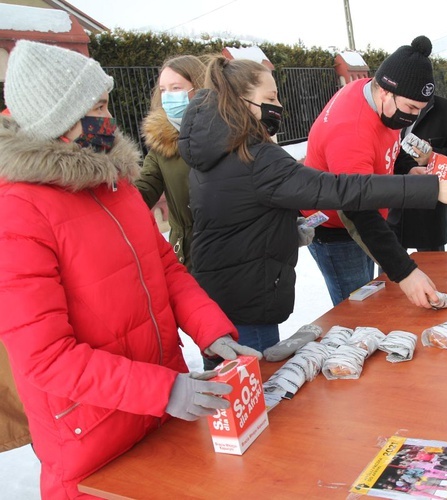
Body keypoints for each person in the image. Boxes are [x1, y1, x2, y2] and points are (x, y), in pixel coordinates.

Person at [0, 40, 260, 497]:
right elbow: (45, 359)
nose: (109, 117)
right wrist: (162, 390)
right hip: (94, 440)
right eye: (97, 106)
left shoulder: (113, 180)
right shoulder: (17, 212)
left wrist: (213, 333)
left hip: (162, 414)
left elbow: (165, 268)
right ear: (57, 121)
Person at [178, 55, 447, 359]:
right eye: (270, 98)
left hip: (232, 293)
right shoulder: (259, 158)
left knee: (248, 388)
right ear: (240, 102)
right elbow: (342, 189)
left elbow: (235, 214)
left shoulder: (222, 149)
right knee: (259, 392)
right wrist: (433, 188)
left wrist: (280, 228)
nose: (278, 106)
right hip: (244, 301)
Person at [303, 36, 447, 307]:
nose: (412, 118)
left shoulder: (378, 99)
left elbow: (388, 148)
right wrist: (405, 272)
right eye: (410, 108)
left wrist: (407, 171)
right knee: (360, 312)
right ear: (385, 91)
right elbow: (360, 212)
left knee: (379, 299)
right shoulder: (350, 131)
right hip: (337, 228)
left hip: (367, 216)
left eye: (419, 111)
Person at [135, 55, 206, 271]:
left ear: (201, 89)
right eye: (163, 90)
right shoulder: (161, 143)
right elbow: (143, 189)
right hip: (186, 254)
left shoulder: (227, 134)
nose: (168, 97)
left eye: (176, 88)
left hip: (231, 252)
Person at [387, 94, 447, 252]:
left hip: (428, 210)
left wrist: (432, 156)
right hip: (391, 200)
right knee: (389, 270)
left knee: (433, 269)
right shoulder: (386, 105)